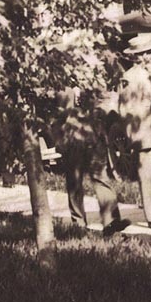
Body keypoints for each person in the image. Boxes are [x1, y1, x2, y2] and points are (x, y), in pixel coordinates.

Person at [54, 89, 130, 237]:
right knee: (76, 183)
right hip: (75, 140)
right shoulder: (64, 85)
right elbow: (59, 115)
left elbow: (105, 103)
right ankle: (80, 225)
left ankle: (111, 222)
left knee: (100, 179)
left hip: (93, 138)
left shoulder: (91, 78)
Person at [118, 31, 151, 229]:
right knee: (147, 174)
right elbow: (126, 108)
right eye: (150, 51)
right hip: (144, 129)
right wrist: (135, 134)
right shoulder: (132, 77)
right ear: (140, 55)